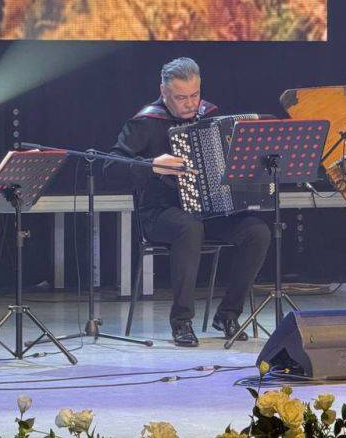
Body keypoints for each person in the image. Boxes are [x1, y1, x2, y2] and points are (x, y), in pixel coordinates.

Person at [108, 57, 271, 347]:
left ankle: (228, 314)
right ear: (163, 92)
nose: (190, 104)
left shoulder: (209, 116)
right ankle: (182, 321)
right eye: (181, 97)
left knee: (257, 231)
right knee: (189, 227)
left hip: (210, 211)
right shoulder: (145, 123)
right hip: (161, 214)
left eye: (195, 95)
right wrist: (152, 165)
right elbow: (109, 167)